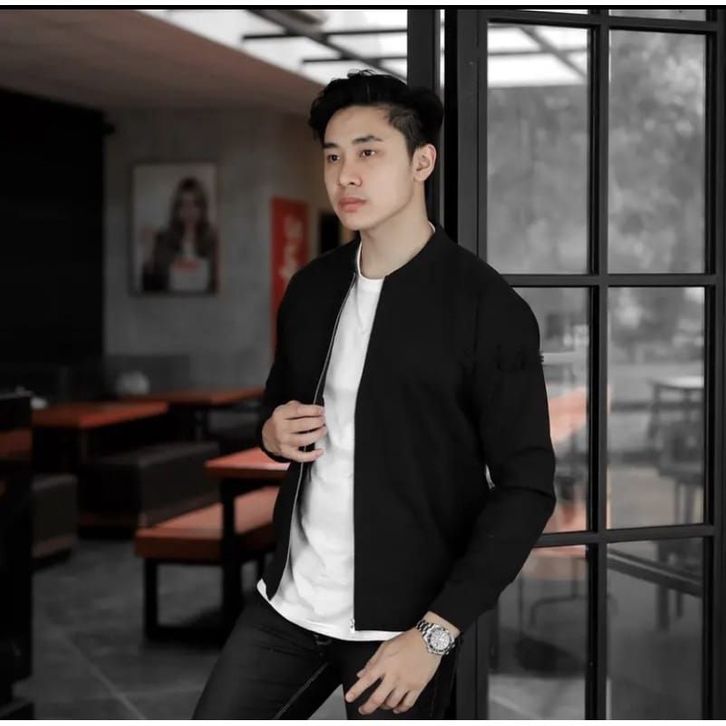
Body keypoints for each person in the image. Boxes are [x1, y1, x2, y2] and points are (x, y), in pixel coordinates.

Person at [192, 69, 556, 720]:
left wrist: (436, 633)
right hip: (286, 606)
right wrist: (270, 431)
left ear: (422, 162)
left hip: (402, 629)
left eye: (368, 152)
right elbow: (277, 405)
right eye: (333, 157)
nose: (346, 176)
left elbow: (526, 488)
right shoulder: (310, 290)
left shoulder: (487, 308)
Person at [141, 176, 218, 293]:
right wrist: (148, 257)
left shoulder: (213, 242)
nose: (189, 210)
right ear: (176, 209)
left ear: (202, 208)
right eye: (183, 204)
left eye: (195, 204)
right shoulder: (163, 241)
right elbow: (150, 291)